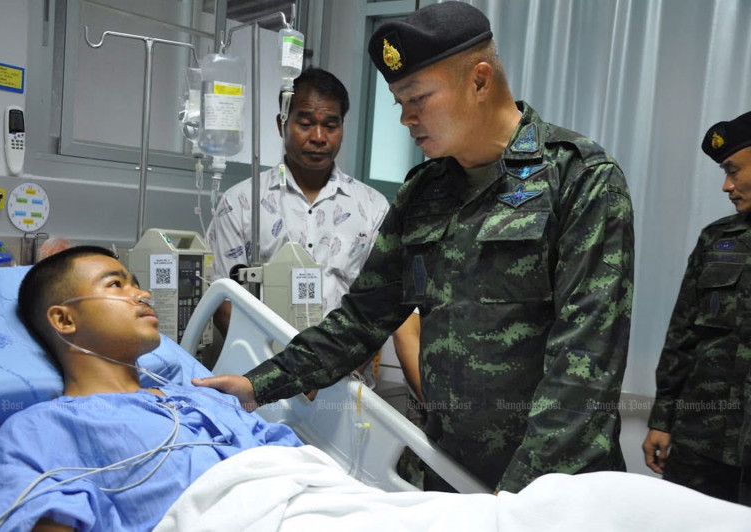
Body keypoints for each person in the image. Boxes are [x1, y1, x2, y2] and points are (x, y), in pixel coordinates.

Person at [195, 1, 635, 495]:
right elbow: (361, 320)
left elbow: (584, 368)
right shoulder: (424, 194)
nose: (406, 118)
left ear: (480, 81)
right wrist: (259, 383)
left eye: (417, 98)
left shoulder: (580, 180)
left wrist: (514, 503)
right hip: (450, 473)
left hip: (552, 489)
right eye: (399, 102)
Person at [0, 246, 302, 531]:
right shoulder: (44, 429)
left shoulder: (205, 398)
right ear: (64, 319)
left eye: (134, 283)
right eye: (116, 285)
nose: (142, 294)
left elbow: (299, 463)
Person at [206, 66, 419, 388]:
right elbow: (223, 301)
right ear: (282, 124)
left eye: (330, 125)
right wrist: (273, 378)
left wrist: (332, 376)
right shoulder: (241, 203)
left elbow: (378, 306)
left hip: (345, 386)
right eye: (305, 124)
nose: (319, 137)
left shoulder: (372, 208)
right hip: (259, 378)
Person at [643, 111, 751, 505]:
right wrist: (662, 420)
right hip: (700, 443)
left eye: (733, 169)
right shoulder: (718, 240)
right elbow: (682, 336)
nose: (726, 185)